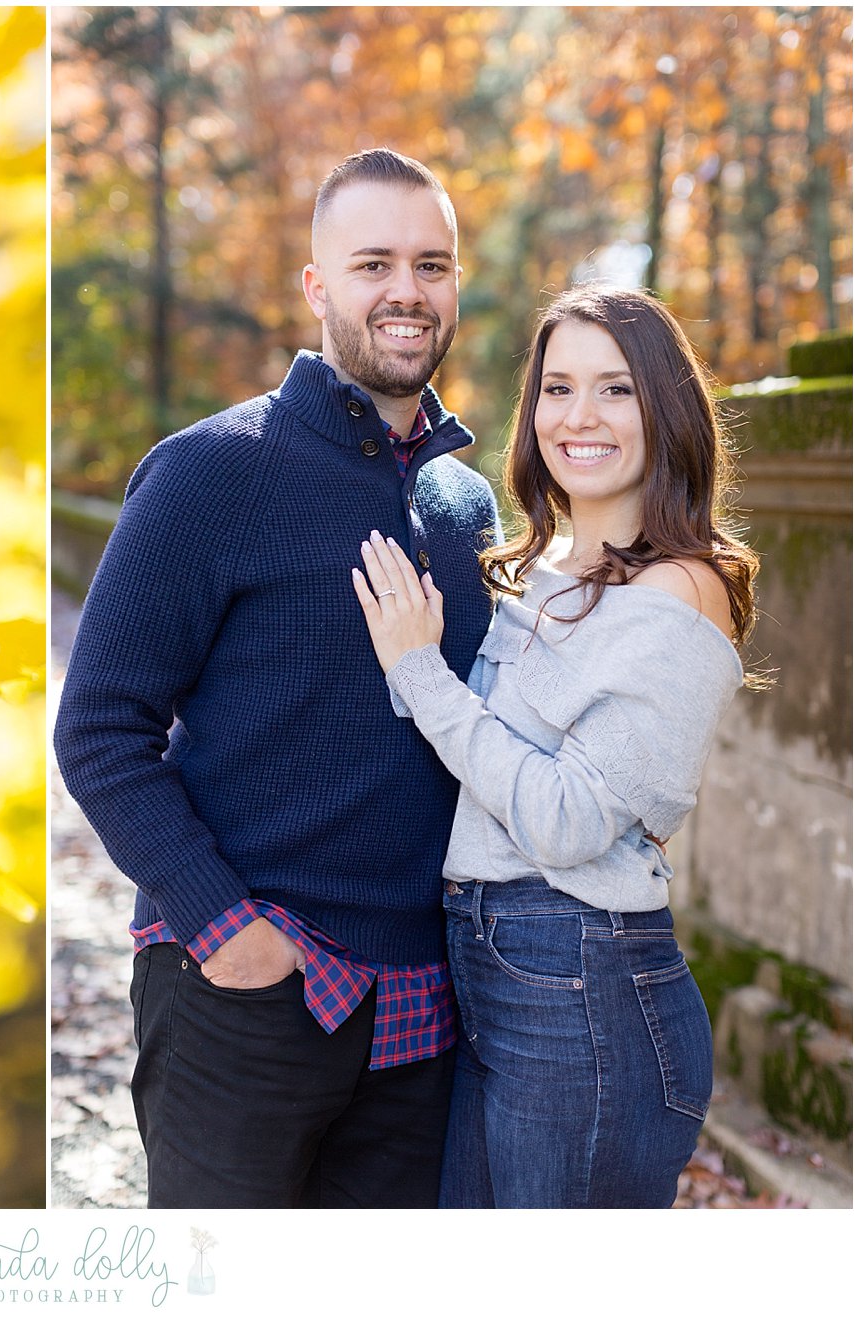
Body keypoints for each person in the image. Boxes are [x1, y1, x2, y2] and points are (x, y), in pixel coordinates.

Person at [54, 148, 499, 1208]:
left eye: (431, 265)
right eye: (373, 263)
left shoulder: (466, 505)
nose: (405, 290)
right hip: (245, 994)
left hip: (423, 1010)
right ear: (315, 287)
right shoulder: (212, 470)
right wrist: (222, 925)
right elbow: (98, 729)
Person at [350, 284, 759, 1208]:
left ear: (666, 409)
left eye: (615, 390)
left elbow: (566, 819)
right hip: (492, 962)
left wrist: (420, 673)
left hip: (582, 981)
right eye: (556, 387)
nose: (578, 416)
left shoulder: (682, 590)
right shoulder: (538, 570)